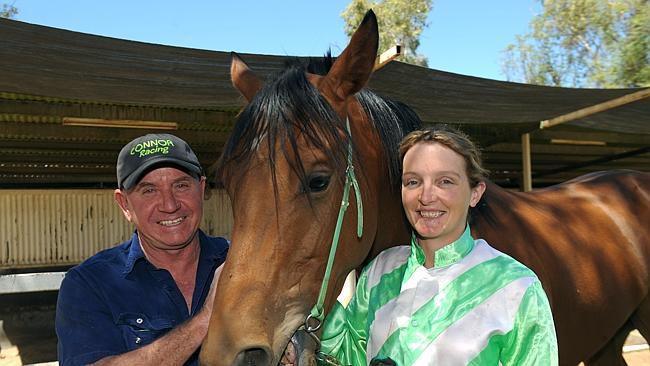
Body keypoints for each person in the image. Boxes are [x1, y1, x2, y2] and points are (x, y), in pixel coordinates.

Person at [317, 126, 558, 365]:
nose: (426, 196)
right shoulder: (379, 269)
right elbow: (348, 357)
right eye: (413, 182)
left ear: (475, 193)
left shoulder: (516, 286)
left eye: (445, 181)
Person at [55, 133, 229, 366]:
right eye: (149, 190)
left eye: (181, 185)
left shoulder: (242, 260)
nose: (170, 205)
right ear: (124, 204)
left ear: (202, 188)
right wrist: (204, 322)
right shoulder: (89, 284)